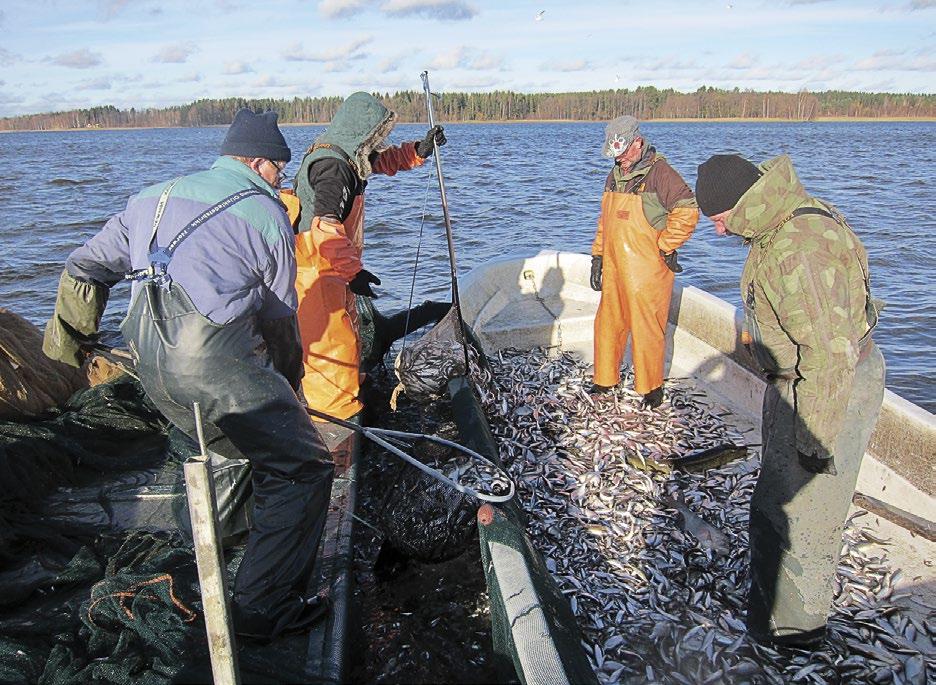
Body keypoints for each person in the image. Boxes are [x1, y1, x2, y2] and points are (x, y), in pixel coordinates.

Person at [42, 108, 334, 641]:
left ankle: (244, 542)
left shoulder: (148, 198)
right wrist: (289, 389)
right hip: (214, 366)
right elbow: (280, 324)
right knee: (304, 467)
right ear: (259, 164)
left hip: (151, 369)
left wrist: (68, 346)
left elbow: (84, 267)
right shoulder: (267, 214)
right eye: (278, 169)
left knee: (242, 445)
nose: (281, 179)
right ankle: (261, 609)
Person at [694, 153, 885, 647]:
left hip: (828, 391)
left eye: (718, 221)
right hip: (798, 382)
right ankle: (769, 610)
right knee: (776, 501)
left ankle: (797, 638)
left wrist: (813, 444)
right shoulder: (774, 222)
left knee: (809, 517)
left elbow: (829, 359)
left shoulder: (798, 249)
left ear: (742, 206)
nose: (717, 233)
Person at [292, 91, 446, 420]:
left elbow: (383, 161)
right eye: (377, 135)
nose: (379, 142)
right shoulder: (334, 168)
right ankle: (335, 424)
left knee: (349, 334)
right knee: (330, 348)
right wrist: (354, 273)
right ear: (361, 132)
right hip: (317, 270)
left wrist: (418, 151)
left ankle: (353, 392)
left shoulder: (349, 154)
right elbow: (326, 229)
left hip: (333, 268)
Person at [589, 115, 699, 408]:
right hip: (614, 266)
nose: (620, 159)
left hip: (647, 269)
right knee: (607, 323)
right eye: (615, 154)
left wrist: (666, 245)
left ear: (638, 142)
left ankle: (650, 388)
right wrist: (597, 256)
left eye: (623, 152)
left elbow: (688, 212)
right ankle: (604, 381)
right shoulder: (613, 176)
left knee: (646, 327)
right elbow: (605, 222)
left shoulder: (662, 174)